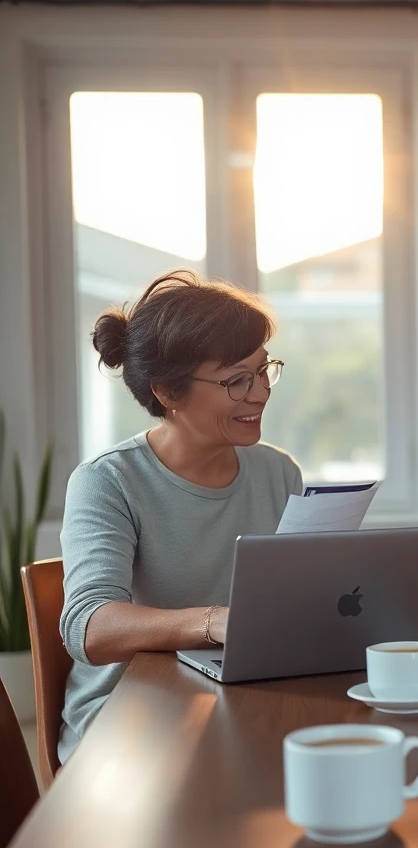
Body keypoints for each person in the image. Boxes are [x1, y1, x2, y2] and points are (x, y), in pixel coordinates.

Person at [58, 271, 302, 761]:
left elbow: (299, 597)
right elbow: (89, 627)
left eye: (263, 370)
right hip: (131, 720)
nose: (259, 394)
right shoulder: (108, 481)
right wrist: (215, 622)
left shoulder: (279, 472)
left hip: (242, 701)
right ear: (167, 392)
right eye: (236, 380)